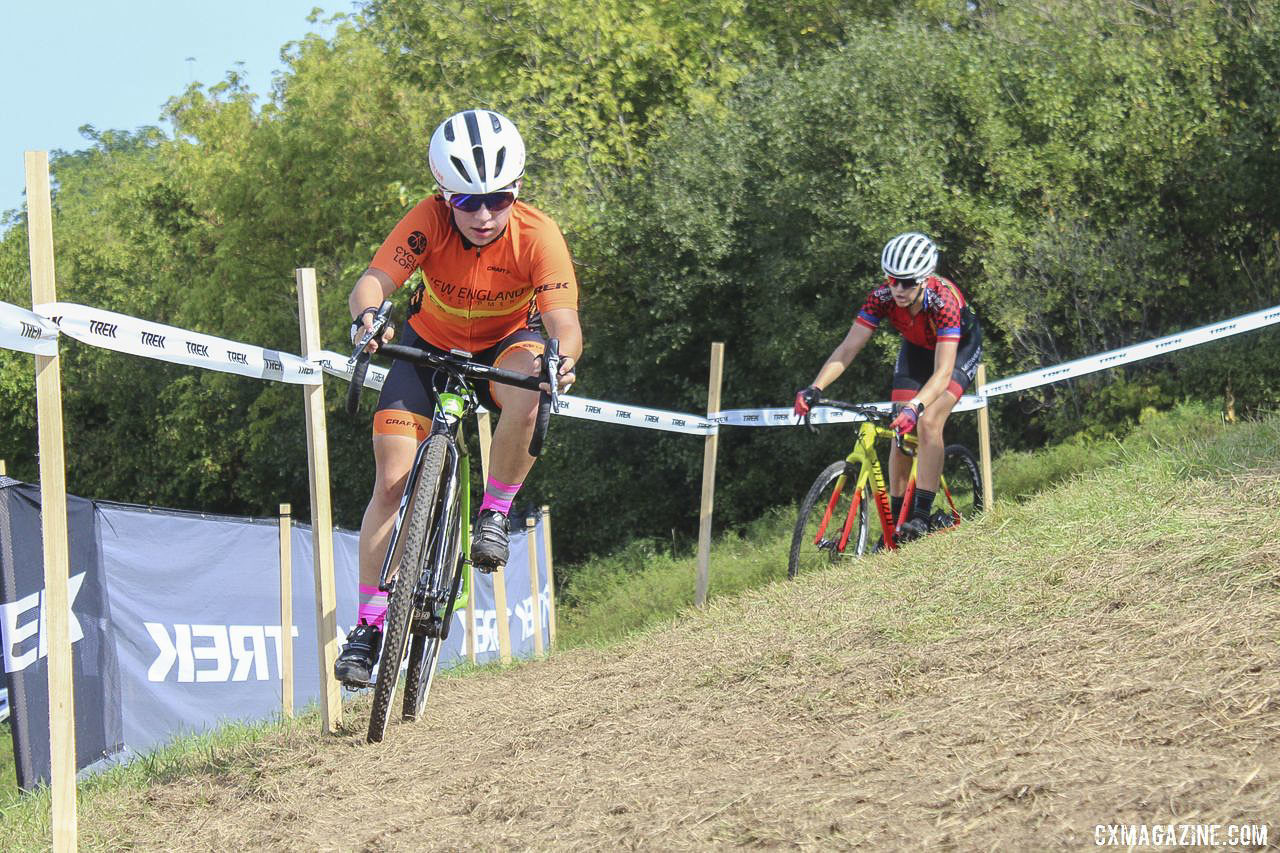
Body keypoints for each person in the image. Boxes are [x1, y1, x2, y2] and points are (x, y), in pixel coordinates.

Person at [334, 109, 582, 686]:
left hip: (505, 345)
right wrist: (368, 317)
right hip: (429, 342)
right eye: (467, 202)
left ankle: (495, 511)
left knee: (529, 386)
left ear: (515, 190)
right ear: (443, 195)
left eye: (497, 198)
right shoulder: (426, 221)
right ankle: (370, 626)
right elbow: (372, 282)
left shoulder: (538, 235)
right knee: (391, 480)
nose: (484, 214)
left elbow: (563, 322)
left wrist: (560, 360)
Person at [793, 231, 981, 545]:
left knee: (929, 420)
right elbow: (847, 348)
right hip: (917, 349)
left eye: (907, 282)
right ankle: (898, 524)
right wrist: (815, 387)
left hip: (958, 350)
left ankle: (921, 516)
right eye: (892, 279)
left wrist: (917, 406)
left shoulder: (943, 301)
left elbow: (943, 371)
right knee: (899, 427)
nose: (898, 288)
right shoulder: (881, 297)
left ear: (922, 280)